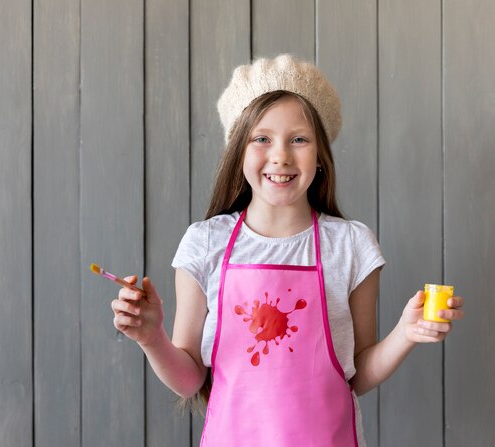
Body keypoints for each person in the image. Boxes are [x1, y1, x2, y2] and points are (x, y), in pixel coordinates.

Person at [111, 54, 465, 446]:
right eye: (261, 139)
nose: (280, 155)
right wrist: (151, 337)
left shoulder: (350, 245)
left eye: (299, 139)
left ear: (320, 158)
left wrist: (406, 333)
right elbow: (190, 378)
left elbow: (357, 374)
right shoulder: (205, 242)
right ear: (239, 152)